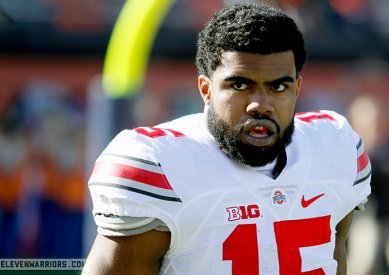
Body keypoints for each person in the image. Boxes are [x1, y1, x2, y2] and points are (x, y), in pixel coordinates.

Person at [83, 3, 371, 275]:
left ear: (297, 88)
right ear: (206, 89)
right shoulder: (159, 165)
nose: (260, 103)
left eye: (278, 86)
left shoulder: (335, 147)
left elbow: (334, 257)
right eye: (241, 85)